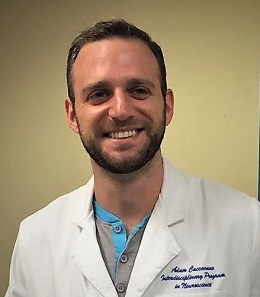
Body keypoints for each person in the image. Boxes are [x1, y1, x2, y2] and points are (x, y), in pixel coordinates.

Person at [5, 19, 260, 297]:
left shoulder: (248, 225)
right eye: (99, 94)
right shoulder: (35, 238)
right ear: (72, 115)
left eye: (138, 90)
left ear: (167, 105)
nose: (120, 110)